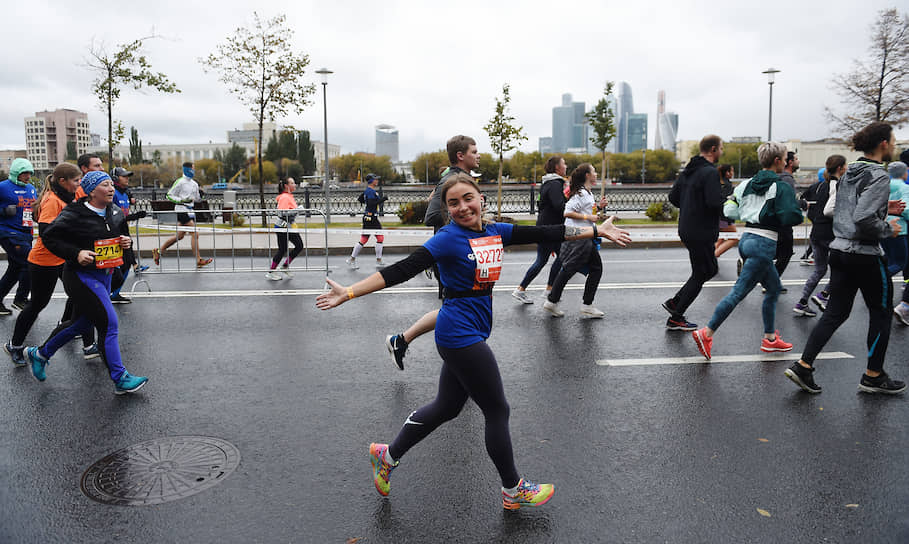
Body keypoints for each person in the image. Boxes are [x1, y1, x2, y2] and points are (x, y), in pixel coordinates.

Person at [317, 172, 631, 509]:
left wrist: (597, 230)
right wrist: (349, 292)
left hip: (475, 328)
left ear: (481, 198)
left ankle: (387, 455)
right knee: (497, 409)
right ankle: (513, 490)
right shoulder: (447, 239)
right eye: (453, 203)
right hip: (458, 333)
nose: (463, 207)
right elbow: (401, 270)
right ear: (447, 209)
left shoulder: (496, 230)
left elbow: (547, 231)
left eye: (468, 199)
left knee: (446, 407)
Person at [784, 122, 906, 395]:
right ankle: (873, 375)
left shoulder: (851, 170)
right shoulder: (879, 175)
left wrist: (884, 207)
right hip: (865, 254)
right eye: (894, 139)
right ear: (883, 144)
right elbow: (863, 217)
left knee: (835, 313)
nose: (895, 144)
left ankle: (804, 365)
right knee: (882, 313)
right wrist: (889, 228)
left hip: (839, 250)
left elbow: (845, 207)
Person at [23, 171, 148, 394]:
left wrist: (125, 242)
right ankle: (120, 378)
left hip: (105, 276)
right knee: (109, 324)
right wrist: (76, 253)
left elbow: (118, 235)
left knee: (82, 324)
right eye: (105, 185)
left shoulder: (115, 211)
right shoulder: (74, 213)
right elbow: (49, 237)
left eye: (111, 184)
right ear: (91, 191)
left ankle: (40, 354)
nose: (111, 189)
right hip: (81, 277)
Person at [691, 141, 803, 360]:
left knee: (773, 288)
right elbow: (792, 216)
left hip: (747, 238)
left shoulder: (746, 184)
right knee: (737, 293)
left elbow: (729, 209)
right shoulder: (780, 186)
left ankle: (770, 339)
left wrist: (749, 212)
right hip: (764, 243)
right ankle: (707, 332)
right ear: (778, 161)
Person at [384, 136, 482, 370]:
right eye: (474, 151)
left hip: (462, 254)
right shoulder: (450, 180)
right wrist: (462, 217)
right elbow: (431, 217)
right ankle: (462, 366)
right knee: (462, 310)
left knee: (458, 309)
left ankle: (402, 341)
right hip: (451, 256)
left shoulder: (461, 179)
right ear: (461, 155)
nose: (479, 155)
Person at [4, 163, 98, 365]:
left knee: (81, 297)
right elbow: (47, 235)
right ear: (62, 181)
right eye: (76, 180)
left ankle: (89, 345)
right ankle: (15, 345)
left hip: (63, 259)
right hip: (44, 261)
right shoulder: (53, 201)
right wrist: (73, 249)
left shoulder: (68, 197)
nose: (79, 184)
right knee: (37, 304)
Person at [662, 135, 725, 331]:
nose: (722, 152)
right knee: (704, 271)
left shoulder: (688, 170)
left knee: (706, 269)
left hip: (687, 227)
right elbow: (714, 202)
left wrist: (690, 207)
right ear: (713, 149)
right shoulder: (710, 172)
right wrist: (727, 200)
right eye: (721, 148)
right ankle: (676, 316)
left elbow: (673, 197)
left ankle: (676, 303)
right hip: (702, 230)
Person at [542, 163, 610, 318]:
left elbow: (587, 211)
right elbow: (567, 212)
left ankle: (556, 302)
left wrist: (598, 208)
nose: (596, 174)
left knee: (585, 269)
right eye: (594, 171)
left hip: (584, 235)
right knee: (573, 269)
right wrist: (589, 217)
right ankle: (560, 302)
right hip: (579, 237)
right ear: (587, 175)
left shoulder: (587, 193)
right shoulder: (580, 193)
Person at [792, 155, 845, 317]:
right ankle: (825, 295)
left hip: (816, 232)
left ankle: (802, 302)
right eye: (846, 166)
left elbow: (811, 206)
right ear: (840, 168)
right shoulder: (837, 186)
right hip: (831, 233)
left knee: (819, 270)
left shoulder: (820, 186)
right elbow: (830, 210)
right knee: (843, 269)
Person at [512, 156, 567, 304]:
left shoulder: (547, 183)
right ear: (557, 167)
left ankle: (532, 289)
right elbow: (558, 206)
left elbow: (542, 203)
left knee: (549, 259)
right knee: (555, 258)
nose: (566, 166)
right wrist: (569, 204)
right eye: (564, 164)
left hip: (546, 226)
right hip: (551, 229)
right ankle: (541, 290)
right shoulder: (555, 184)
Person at [152, 162, 212, 268]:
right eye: (192, 169)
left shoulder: (194, 184)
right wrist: (181, 200)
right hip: (181, 210)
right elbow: (169, 195)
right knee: (195, 233)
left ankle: (158, 251)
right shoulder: (180, 182)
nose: (194, 171)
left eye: (194, 169)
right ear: (187, 169)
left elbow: (197, 198)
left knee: (179, 236)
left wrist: (201, 195)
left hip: (190, 211)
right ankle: (198, 260)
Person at [0, 158, 37, 316]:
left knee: (14, 269)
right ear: (16, 173)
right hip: (8, 232)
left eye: (29, 173)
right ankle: (20, 299)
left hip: (26, 233)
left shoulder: (31, 188)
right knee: (31, 261)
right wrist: (3, 211)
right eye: (24, 173)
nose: (27, 176)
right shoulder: (2, 187)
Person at [109, 167, 148, 303]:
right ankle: (108, 292)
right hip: (115, 233)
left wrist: (134, 216)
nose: (127, 179)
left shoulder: (125, 194)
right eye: (123, 176)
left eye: (127, 176)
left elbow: (123, 216)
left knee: (128, 263)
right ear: (115, 179)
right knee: (117, 264)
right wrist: (135, 216)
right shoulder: (112, 193)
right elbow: (112, 216)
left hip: (124, 231)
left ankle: (115, 293)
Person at [346, 174, 389, 269]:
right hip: (371, 218)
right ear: (371, 181)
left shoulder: (368, 191)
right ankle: (377, 260)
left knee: (371, 239)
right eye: (375, 179)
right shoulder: (370, 191)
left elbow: (360, 199)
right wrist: (383, 199)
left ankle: (352, 259)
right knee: (375, 238)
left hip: (369, 217)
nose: (377, 181)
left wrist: (368, 203)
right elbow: (370, 203)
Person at [265, 177, 304, 280]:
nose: (295, 185)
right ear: (287, 186)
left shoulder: (289, 196)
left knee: (298, 246)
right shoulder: (285, 197)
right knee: (284, 249)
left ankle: (284, 266)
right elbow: (282, 213)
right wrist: (297, 210)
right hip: (282, 226)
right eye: (292, 183)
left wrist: (296, 211)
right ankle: (272, 271)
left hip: (288, 226)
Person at [773, 151, 800, 288]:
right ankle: (772, 281)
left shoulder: (778, 177)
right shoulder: (787, 178)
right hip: (783, 222)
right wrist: (801, 204)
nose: (798, 161)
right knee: (786, 253)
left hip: (774, 221)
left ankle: (750, 264)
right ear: (789, 162)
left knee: (776, 251)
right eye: (796, 159)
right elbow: (790, 201)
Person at [880, 161, 909, 278]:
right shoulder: (905, 188)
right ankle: (880, 280)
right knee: (900, 262)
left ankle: (882, 284)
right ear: (904, 173)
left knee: (889, 260)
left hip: (883, 226)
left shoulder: (884, 185)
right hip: (899, 228)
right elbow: (906, 209)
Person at [714, 165, 738, 258]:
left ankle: (713, 254)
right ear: (727, 173)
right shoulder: (727, 185)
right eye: (732, 171)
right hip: (724, 218)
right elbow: (726, 202)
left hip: (719, 216)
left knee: (722, 237)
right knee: (734, 238)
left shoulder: (719, 183)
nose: (733, 173)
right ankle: (713, 255)